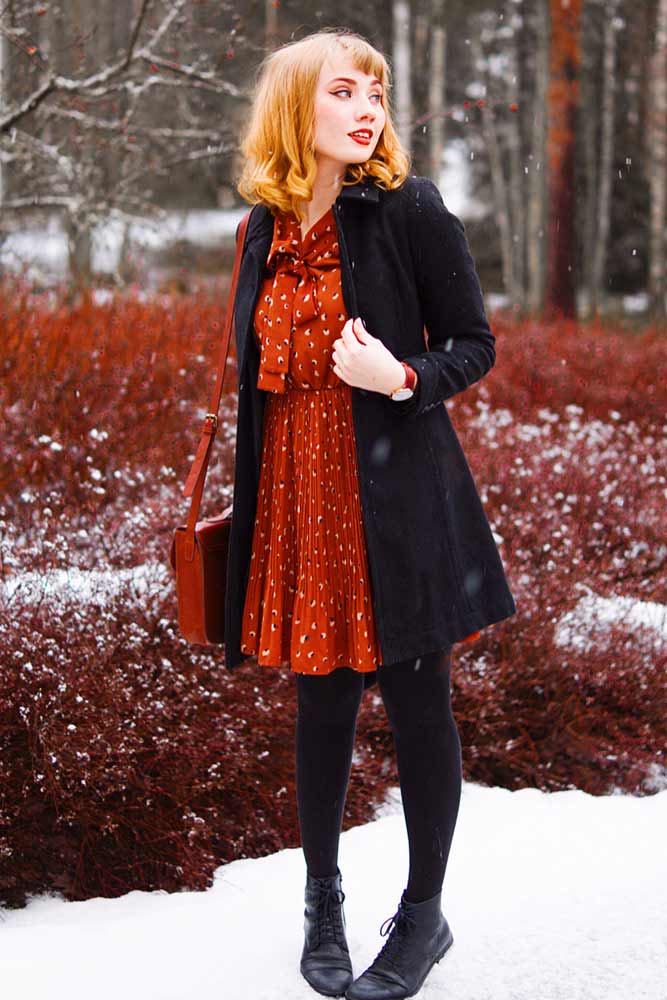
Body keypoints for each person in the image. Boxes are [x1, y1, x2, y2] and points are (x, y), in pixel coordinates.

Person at [226, 27, 517, 1000]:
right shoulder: (259, 233)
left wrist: (399, 375)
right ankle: (321, 900)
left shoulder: (408, 211)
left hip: (397, 499)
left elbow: (475, 344)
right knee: (321, 702)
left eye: (376, 92)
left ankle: (424, 914)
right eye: (341, 91)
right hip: (300, 506)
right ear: (294, 112)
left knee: (417, 701)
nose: (366, 109)